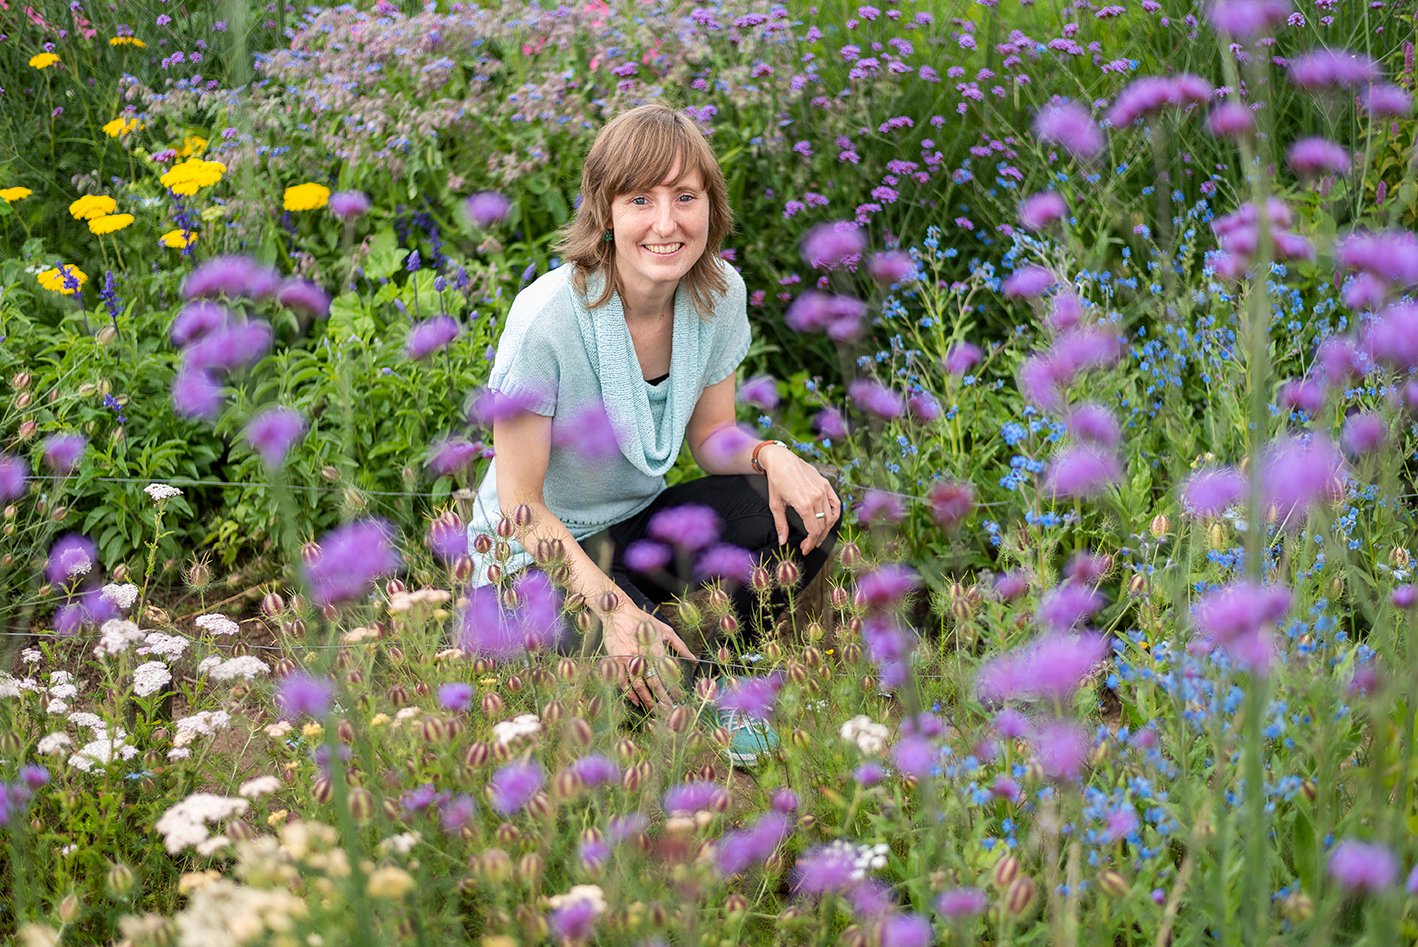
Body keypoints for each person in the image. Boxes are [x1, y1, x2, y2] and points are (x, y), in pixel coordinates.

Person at [466, 103, 841, 734]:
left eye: (685, 197)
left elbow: (711, 435)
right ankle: (685, 680)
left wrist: (771, 455)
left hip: (632, 531)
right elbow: (519, 505)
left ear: (710, 207)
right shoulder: (547, 319)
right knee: (602, 661)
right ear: (605, 212)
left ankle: (691, 657)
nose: (666, 223)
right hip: (530, 562)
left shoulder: (717, 294)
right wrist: (612, 607)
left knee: (807, 512)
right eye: (641, 198)